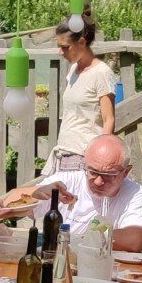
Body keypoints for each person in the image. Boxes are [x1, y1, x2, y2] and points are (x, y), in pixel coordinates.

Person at [21, 132, 142, 254]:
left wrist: (80, 239)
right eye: (93, 172)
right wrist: (35, 193)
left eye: (108, 175)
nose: (98, 182)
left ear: (125, 172)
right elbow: (14, 209)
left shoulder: (134, 193)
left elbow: (135, 240)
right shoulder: (65, 181)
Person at [47, 13, 116, 174]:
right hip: (64, 152)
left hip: (84, 157)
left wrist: (100, 160)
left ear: (82, 42)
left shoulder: (101, 73)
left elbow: (109, 120)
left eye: (65, 47)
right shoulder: (73, 70)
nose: (60, 52)